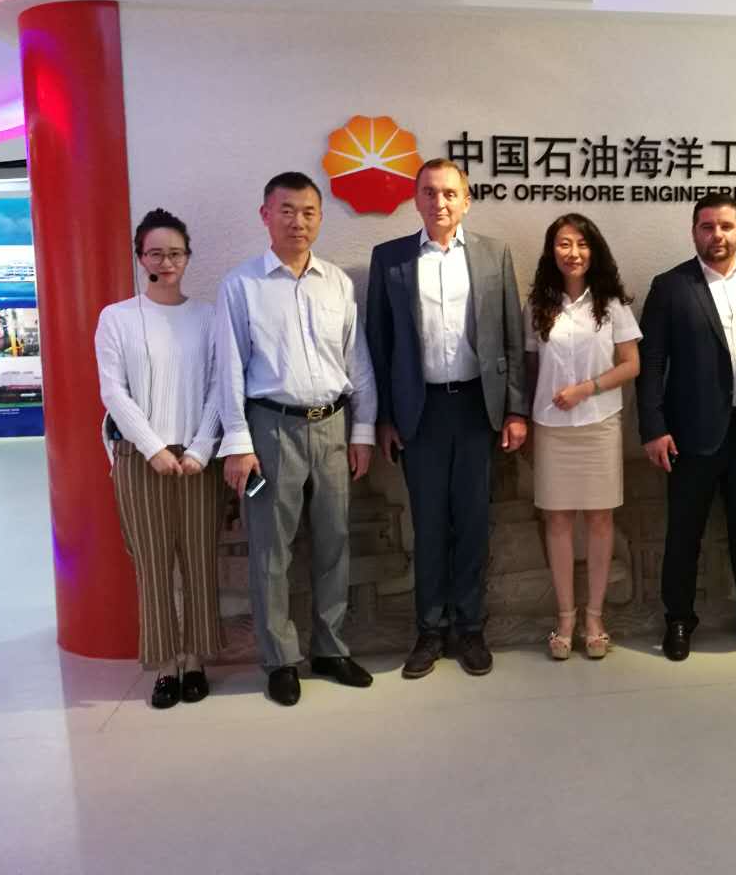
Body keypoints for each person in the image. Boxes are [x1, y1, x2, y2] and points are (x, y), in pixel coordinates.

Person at [216, 171, 376, 707]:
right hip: (270, 429)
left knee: (334, 540)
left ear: (320, 217)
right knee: (270, 549)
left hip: (332, 426)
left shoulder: (337, 283)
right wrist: (238, 443)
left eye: (308, 212)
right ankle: (280, 659)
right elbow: (228, 369)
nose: (298, 221)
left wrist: (363, 430)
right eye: (286, 210)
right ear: (265, 215)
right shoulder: (241, 285)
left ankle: (330, 648)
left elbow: (357, 360)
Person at [366, 158, 528, 679]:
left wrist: (516, 409)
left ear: (466, 200)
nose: (440, 202)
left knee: (474, 522)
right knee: (429, 523)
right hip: (420, 412)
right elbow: (379, 345)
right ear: (416, 199)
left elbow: (511, 336)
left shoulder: (493, 254)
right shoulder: (390, 258)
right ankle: (430, 630)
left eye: (450, 193)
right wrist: (383, 417)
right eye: (430, 192)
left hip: (477, 407)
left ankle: (471, 628)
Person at [636, 193, 736, 661]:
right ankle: (679, 619)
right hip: (689, 433)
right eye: (707, 227)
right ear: (694, 232)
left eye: (726, 226)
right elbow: (651, 364)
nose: (717, 235)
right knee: (684, 533)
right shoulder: (670, 286)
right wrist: (652, 427)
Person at [94, 207, 223, 709]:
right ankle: (165, 665)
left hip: (197, 459)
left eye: (175, 253)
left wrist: (201, 448)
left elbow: (220, 387)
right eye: (155, 254)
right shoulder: (117, 318)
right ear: (140, 257)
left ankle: (196, 660)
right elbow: (113, 391)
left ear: (188, 257)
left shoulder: (209, 317)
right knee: (152, 566)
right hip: (139, 458)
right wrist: (152, 448)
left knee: (199, 562)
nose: (166, 262)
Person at [524, 214, 641, 660]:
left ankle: (594, 618)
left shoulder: (611, 305)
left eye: (582, 244)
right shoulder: (537, 305)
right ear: (551, 251)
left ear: (594, 250)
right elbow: (529, 369)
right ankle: (565, 619)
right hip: (551, 428)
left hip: (599, 425)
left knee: (599, 521)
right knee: (556, 522)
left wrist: (586, 388)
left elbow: (631, 365)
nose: (573, 253)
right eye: (563, 243)